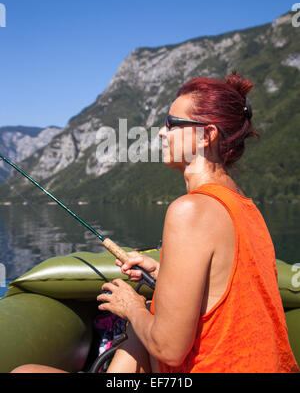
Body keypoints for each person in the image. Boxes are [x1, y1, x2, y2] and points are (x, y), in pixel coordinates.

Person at [11, 72, 299, 373]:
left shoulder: (190, 210)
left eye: (172, 124)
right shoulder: (246, 208)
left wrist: (131, 305)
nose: (162, 133)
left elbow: (169, 350)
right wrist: (164, 273)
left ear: (206, 135)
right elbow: (224, 290)